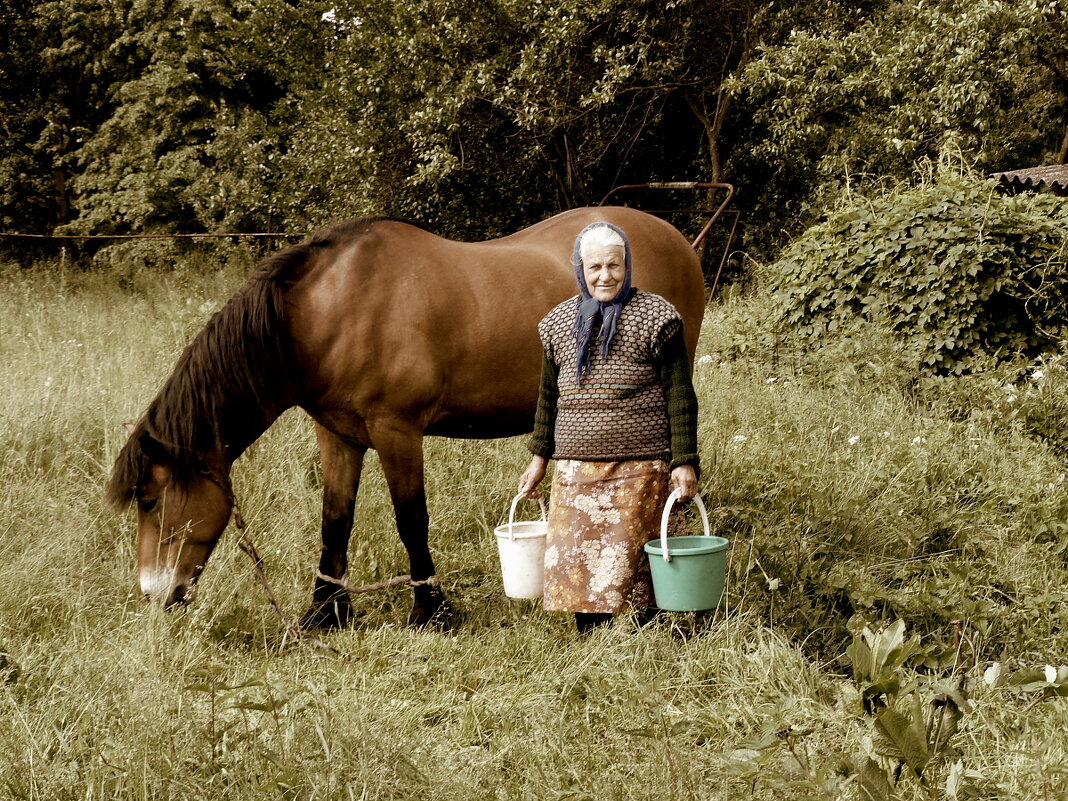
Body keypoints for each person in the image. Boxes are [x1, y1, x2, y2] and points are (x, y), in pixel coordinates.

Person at [517, 221, 700, 633]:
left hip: (641, 469)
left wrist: (684, 460)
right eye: (595, 266)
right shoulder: (557, 323)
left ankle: (649, 638)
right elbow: (549, 398)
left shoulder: (657, 317)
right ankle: (592, 641)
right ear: (580, 269)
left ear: (627, 265)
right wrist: (539, 457)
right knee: (580, 561)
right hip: (576, 471)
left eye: (614, 265)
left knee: (639, 560)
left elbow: (679, 395)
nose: (606, 276)